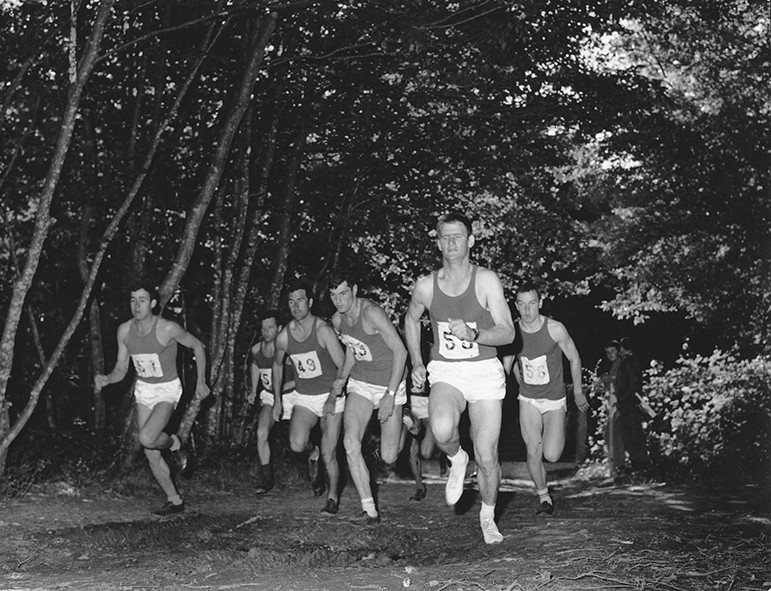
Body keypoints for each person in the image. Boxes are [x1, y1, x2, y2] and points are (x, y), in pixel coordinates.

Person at [404, 212, 516, 545]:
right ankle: (456, 458)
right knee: (440, 429)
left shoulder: (486, 281)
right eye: (444, 237)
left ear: (470, 241)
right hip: (447, 370)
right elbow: (410, 320)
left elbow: (508, 332)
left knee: (486, 454)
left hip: (483, 371)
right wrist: (415, 360)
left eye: (457, 236)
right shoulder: (425, 285)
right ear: (437, 242)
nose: (451, 243)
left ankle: (487, 515)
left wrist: (474, 333)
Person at [95, 283, 209, 516]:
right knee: (150, 451)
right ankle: (174, 500)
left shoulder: (167, 329)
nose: (136, 305)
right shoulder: (125, 331)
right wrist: (107, 379)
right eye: (133, 300)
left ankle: (176, 444)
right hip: (145, 389)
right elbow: (121, 369)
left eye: (142, 300)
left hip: (167, 389)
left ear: (153, 303)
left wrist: (201, 382)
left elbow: (198, 346)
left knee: (147, 438)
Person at [503, 281, 588, 516]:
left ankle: (557, 429)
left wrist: (578, 391)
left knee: (551, 454)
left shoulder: (555, 329)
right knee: (533, 449)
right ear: (516, 306)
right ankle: (543, 496)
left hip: (554, 399)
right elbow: (507, 364)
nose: (528, 311)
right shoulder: (512, 331)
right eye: (522, 305)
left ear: (539, 303)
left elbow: (574, 358)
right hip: (528, 398)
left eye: (532, 304)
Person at [328, 272, 408, 524]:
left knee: (389, 457)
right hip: (361, 383)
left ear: (354, 289)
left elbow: (401, 351)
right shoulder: (337, 321)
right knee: (350, 442)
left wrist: (390, 395)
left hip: (390, 382)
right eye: (333, 296)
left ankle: (405, 422)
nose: (338, 301)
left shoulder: (371, 313)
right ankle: (369, 509)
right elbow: (354, 348)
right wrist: (343, 376)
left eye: (342, 293)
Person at [272, 278, 346, 515]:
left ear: (310, 302)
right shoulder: (283, 336)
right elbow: (276, 366)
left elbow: (343, 365)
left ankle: (332, 498)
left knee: (329, 453)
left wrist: (334, 397)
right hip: (304, 397)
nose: (296, 306)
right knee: (296, 444)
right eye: (291, 302)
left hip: (331, 394)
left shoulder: (323, 330)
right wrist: (276, 400)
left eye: (300, 301)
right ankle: (312, 452)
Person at [248, 310, 297, 494]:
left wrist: (280, 391)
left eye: (270, 327)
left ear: (278, 328)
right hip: (269, 396)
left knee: (298, 442)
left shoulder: (288, 350)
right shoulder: (256, 349)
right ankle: (266, 479)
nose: (266, 331)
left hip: (292, 396)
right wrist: (254, 389)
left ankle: (313, 452)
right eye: (263, 328)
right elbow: (255, 366)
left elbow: (300, 380)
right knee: (261, 433)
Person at [615, 337, 651, 473]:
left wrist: (628, 400)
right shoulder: (628, 361)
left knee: (633, 433)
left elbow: (633, 384)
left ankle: (641, 463)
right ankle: (637, 463)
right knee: (630, 433)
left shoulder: (630, 362)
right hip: (628, 402)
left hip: (630, 404)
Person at [595, 340, 624, 473]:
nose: (610, 354)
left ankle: (617, 467)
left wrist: (604, 379)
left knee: (612, 434)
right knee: (611, 434)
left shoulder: (621, 363)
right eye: (607, 352)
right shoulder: (614, 364)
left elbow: (616, 380)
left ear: (618, 351)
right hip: (612, 402)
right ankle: (617, 466)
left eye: (613, 351)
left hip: (618, 402)